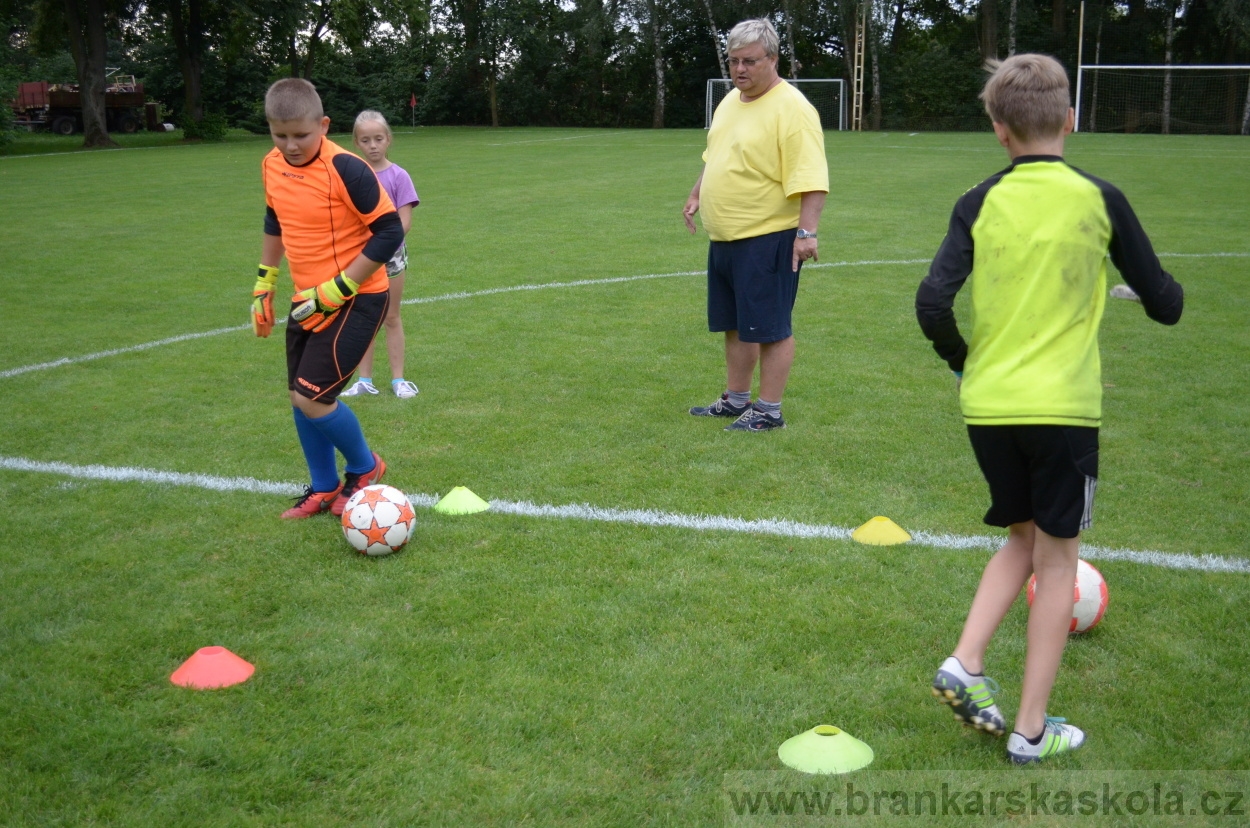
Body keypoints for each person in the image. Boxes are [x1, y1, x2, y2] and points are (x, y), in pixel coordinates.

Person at [915, 54, 1184, 764]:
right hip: (1062, 410)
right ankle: (1031, 732)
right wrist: (1156, 289)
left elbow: (931, 303)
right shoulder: (1100, 197)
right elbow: (1166, 304)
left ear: (999, 130)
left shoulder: (978, 200)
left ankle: (967, 660)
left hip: (988, 407)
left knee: (1023, 536)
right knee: (1058, 560)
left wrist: (963, 361)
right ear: (1070, 119)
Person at [251, 78, 404, 519]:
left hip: (358, 298)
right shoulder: (271, 165)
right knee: (299, 395)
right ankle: (322, 487)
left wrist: (338, 289)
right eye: (280, 135)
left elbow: (389, 231)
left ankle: (365, 465)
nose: (290, 145)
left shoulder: (347, 169)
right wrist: (265, 281)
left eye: (301, 135)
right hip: (307, 299)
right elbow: (275, 218)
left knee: (312, 396)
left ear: (323, 125)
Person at [682, 17, 829, 432]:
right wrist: (697, 193)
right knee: (734, 324)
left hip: (768, 237)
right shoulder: (731, 100)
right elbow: (716, 155)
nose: (740, 69)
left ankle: (769, 411)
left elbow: (812, 177)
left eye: (749, 61)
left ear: (773, 59)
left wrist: (806, 233)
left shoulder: (793, 109)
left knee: (771, 328)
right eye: (733, 61)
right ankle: (736, 399)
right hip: (726, 237)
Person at [341, 110, 421, 400]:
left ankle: (398, 379)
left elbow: (404, 222)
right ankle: (364, 380)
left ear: (388, 139)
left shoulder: (399, 176)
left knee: (391, 316)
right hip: (360, 259)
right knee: (363, 318)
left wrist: (382, 246)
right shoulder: (351, 176)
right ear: (356, 143)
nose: (372, 145)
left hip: (391, 256)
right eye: (365, 140)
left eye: (378, 139)